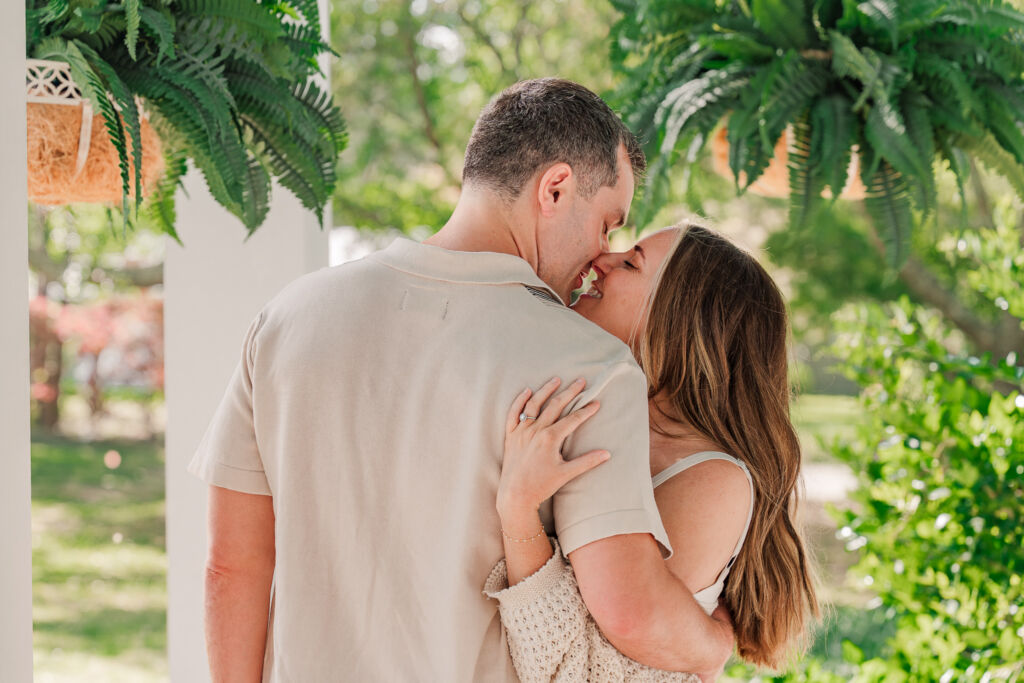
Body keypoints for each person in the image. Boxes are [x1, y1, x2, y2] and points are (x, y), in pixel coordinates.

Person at [188, 78, 734, 682]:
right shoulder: (593, 368)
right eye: (607, 224)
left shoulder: (286, 318)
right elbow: (630, 615)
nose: (600, 253)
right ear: (555, 188)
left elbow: (231, 568)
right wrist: (713, 645)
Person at [484, 225, 820, 681]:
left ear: (678, 319)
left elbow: (583, 671)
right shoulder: (603, 416)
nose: (601, 259)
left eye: (631, 263)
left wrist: (519, 514)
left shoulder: (710, 479)